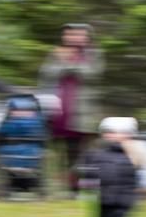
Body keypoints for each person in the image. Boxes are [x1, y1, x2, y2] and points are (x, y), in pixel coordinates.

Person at [38, 23, 102, 197]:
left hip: (82, 112)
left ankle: (78, 187)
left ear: (87, 37)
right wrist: (67, 66)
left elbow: (92, 74)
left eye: (78, 35)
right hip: (57, 110)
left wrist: (65, 64)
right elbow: (47, 73)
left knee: (80, 152)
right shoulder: (55, 53)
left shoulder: (95, 54)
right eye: (70, 35)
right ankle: (60, 188)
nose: (74, 38)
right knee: (59, 151)